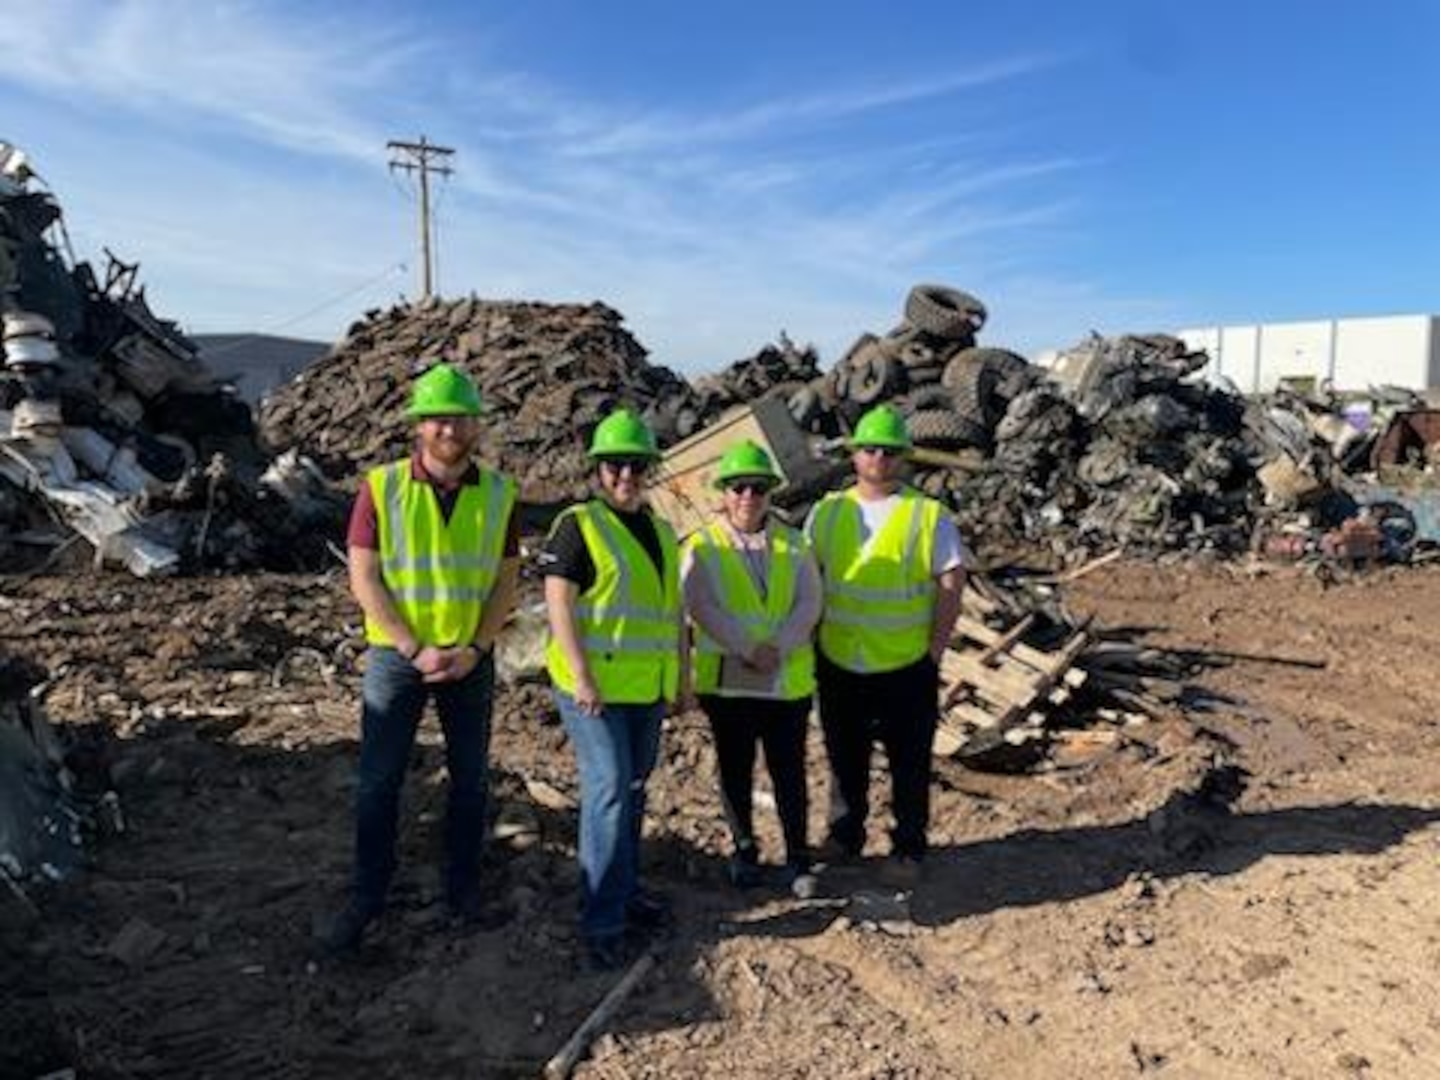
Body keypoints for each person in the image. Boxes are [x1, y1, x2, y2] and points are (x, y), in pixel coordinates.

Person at [323, 362, 520, 952]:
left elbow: (505, 585)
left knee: (470, 781)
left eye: (459, 419)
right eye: (436, 419)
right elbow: (365, 579)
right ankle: (369, 891)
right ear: (418, 426)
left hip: (467, 661)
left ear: (475, 426)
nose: (448, 430)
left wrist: (474, 648)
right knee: (378, 782)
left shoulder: (501, 494)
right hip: (398, 657)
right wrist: (414, 648)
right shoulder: (381, 489)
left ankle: (461, 890)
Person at [540, 407, 684, 972]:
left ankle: (625, 893)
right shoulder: (578, 524)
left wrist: (681, 678)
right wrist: (580, 675)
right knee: (608, 792)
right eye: (615, 465)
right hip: (592, 687)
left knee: (635, 788)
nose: (626, 475)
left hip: (645, 686)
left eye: (637, 466)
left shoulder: (664, 532)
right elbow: (559, 602)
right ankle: (601, 919)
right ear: (599, 470)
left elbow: (671, 613)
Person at [806, 404, 967, 887]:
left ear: (903, 458)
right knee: (843, 756)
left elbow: (951, 584)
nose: (878, 457)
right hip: (839, 659)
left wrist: (933, 652)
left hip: (904, 665)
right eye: (869, 449)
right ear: (854, 454)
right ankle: (845, 836)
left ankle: (908, 847)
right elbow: (809, 579)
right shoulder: (828, 511)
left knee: (909, 763)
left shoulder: (927, 516)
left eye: (889, 451)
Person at [682, 440, 821, 895]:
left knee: (788, 772)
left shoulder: (794, 544)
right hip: (730, 684)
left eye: (758, 488)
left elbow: (809, 602)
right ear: (723, 493)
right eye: (739, 487)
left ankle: (798, 856)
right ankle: (744, 852)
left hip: (785, 682)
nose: (748, 496)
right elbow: (698, 604)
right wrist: (746, 646)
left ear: (770, 493)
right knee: (736, 770)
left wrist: (776, 646)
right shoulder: (702, 547)